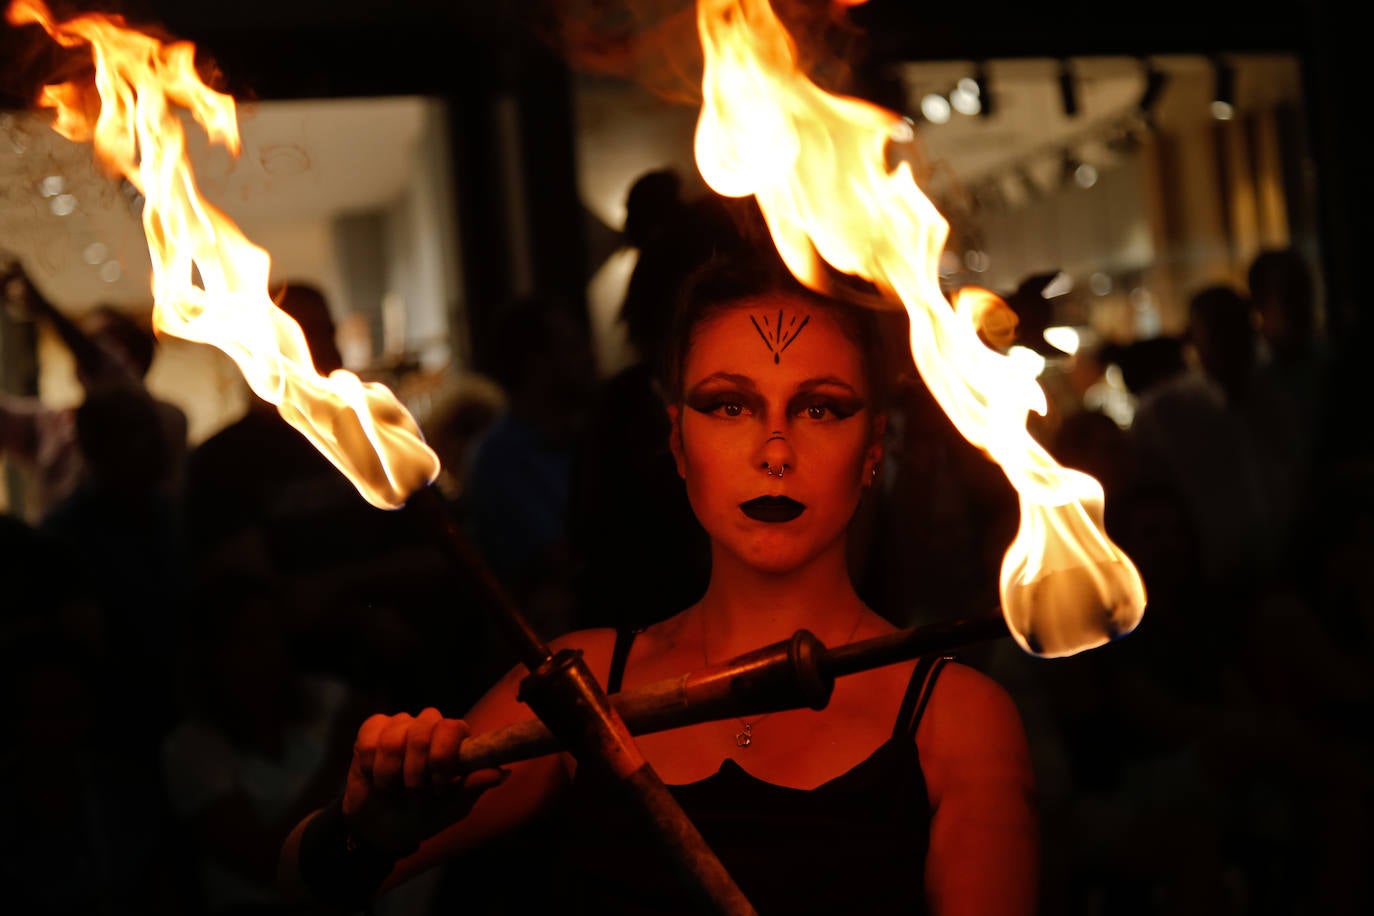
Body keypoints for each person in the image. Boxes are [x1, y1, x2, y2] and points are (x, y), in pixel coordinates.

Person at [277, 247, 1039, 915]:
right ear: (678, 441)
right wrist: (363, 830)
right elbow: (304, 881)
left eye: (819, 409)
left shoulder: (956, 718)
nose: (775, 449)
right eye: (730, 405)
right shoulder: (580, 687)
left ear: (873, 448)